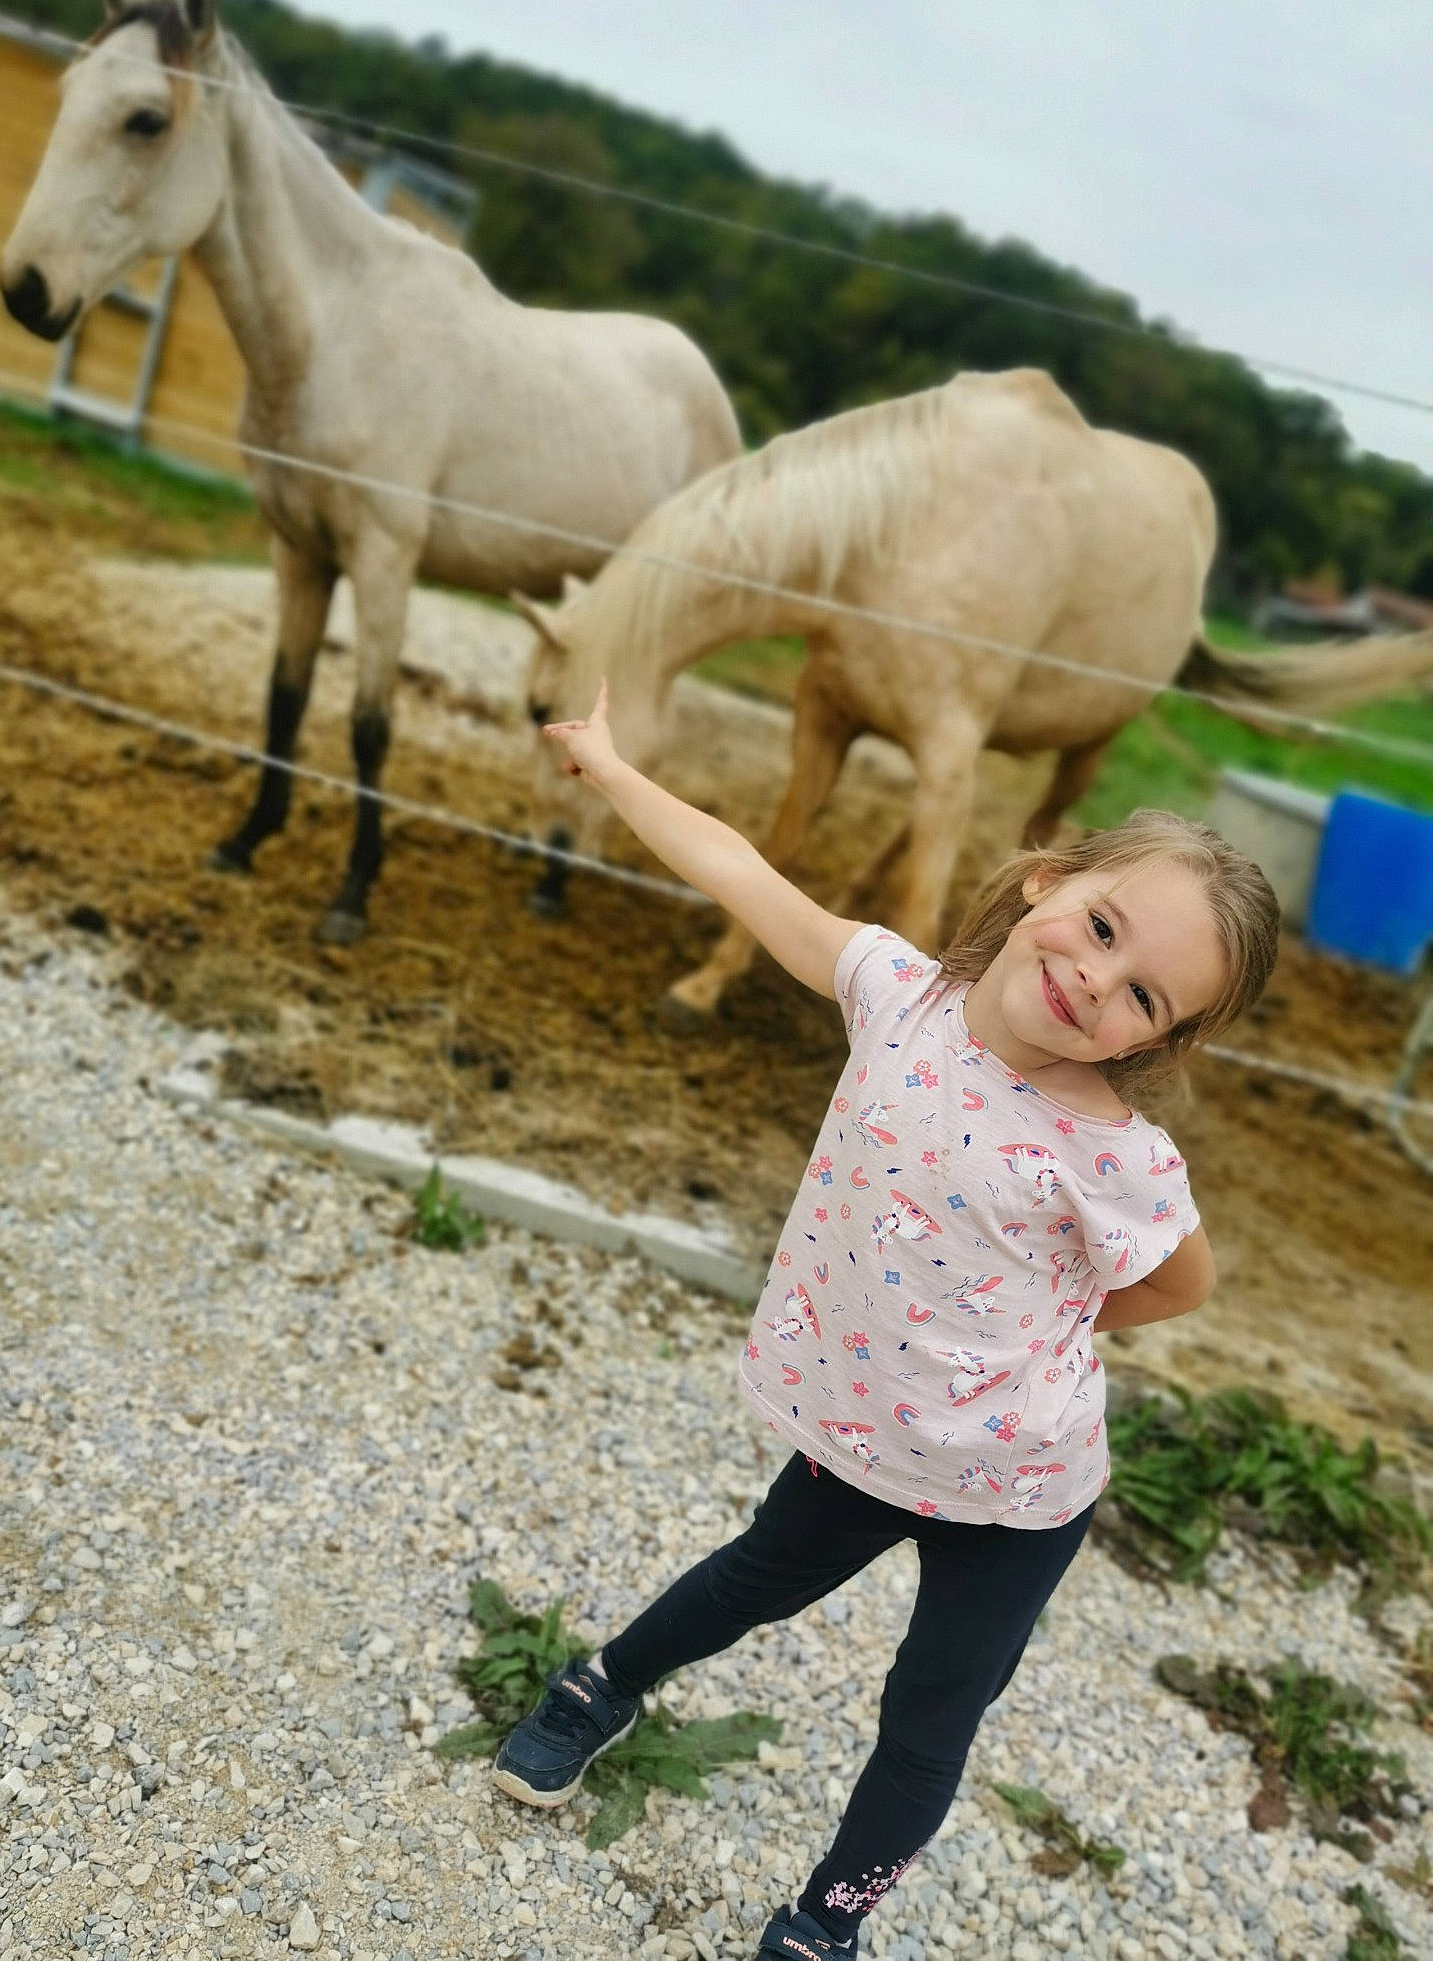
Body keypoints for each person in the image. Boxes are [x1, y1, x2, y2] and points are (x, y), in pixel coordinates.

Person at [492, 681, 1279, 1958]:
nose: (1096, 979)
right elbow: (740, 869)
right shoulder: (893, 993)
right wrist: (614, 769)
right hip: (863, 1439)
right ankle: (602, 1685)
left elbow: (1181, 1282)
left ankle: (826, 1920)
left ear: (1165, 1037)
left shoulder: (1114, 1150)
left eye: (1143, 994)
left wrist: (1054, 1329)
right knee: (750, 1577)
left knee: (928, 1718)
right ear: (1047, 880)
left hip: (1020, 1489)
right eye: (1101, 925)